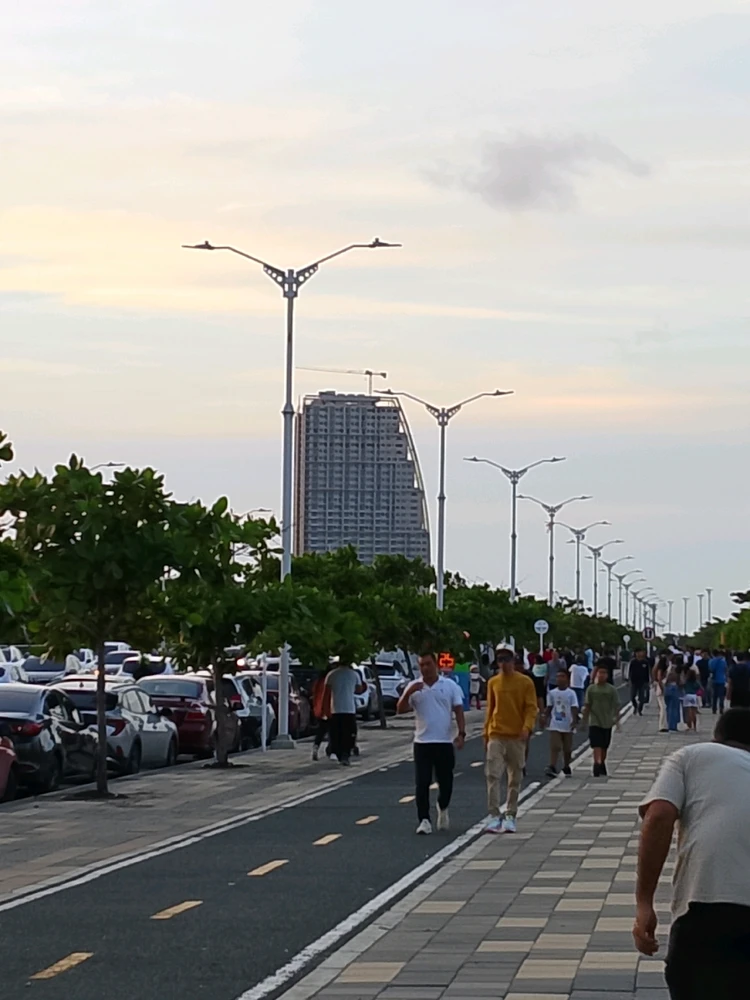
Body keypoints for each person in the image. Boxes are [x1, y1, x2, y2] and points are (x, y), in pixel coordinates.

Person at [633, 708, 750, 999]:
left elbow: (658, 816)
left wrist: (644, 903)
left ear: (717, 737)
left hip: (707, 909)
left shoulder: (693, 756)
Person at [396, 651, 465, 835]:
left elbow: (458, 710)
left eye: (428, 664)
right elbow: (400, 709)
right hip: (422, 742)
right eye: (421, 665)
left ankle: (443, 806)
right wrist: (409, 692)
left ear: (435, 664)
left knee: (446, 781)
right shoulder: (414, 686)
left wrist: (461, 733)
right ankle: (424, 819)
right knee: (422, 782)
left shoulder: (449, 686)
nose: (425, 668)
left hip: (443, 741)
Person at [483, 646, 538, 834]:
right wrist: (486, 733)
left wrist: (527, 727)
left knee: (515, 777)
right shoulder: (493, 682)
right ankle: (493, 815)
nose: (504, 664)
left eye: (507, 659)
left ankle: (510, 814)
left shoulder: (525, 682)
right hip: (496, 733)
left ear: (513, 660)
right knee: (492, 774)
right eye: (500, 660)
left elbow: (531, 708)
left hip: (516, 735)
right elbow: (490, 709)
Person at [324, 661, 367, 766]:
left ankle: (337, 752)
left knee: (336, 734)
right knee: (348, 734)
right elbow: (359, 690)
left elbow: (326, 693)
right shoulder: (354, 674)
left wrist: (325, 710)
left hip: (335, 708)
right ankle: (345, 754)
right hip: (349, 709)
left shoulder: (331, 674)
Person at [582, 664, 620, 776]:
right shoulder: (591, 689)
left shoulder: (611, 689)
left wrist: (617, 720)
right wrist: (584, 721)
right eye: (600, 672)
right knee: (596, 744)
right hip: (594, 721)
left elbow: (616, 706)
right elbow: (587, 705)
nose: (602, 675)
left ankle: (602, 762)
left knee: (604, 746)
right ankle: (597, 764)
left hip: (607, 722)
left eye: (604, 673)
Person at [545, 669, 579, 777]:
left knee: (567, 748)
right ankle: (552, 765)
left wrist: (574, 720)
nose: (559, 678)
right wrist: (544, 718)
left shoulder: (571, 693)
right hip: (555, 724)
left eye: (562, 676)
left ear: (567, 679)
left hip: (567, 724)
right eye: (558, 676)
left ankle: (566, 765)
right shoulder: (552, 693)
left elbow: (574, 707)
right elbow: (549, 707)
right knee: (555, 746)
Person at [311, 668, 332, 761]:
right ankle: (330, 749)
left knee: (321, 730)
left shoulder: (319, 681)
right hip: (329, 708)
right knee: (332, 730)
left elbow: (314, 693)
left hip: (319, 709)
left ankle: (316, 747)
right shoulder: (331, 680)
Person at [629, 649, 650, 716]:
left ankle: (640, 710)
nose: (639, 654)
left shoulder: (645, 662)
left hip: (642, 682)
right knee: (632, 696)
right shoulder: (633, 662)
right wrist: (629, 680)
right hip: (634, 681)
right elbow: (630, 672)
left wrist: (648, 682)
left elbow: (647, 672)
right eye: (638, 653)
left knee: (642, 698)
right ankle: (635, 706)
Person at [653, 653, 670, 732]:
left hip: (659, 687)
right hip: (661, 687)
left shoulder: (657, 668)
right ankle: (662, 725)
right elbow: (659, 679)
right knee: (663, 707)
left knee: (662, 707)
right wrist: (662, 688)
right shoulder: (661, 669)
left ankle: (663, 724)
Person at [708, 649, 728, 714]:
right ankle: (721, 708)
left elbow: (711, 669)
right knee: (721, 695)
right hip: (722, 679)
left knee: (714, 695)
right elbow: (725, 669)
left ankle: (714, 709)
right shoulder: (723, 661)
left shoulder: (711, 661)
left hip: (714, 679)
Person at [681, 666, 700, 731]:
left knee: (688, 712)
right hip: (694, 696)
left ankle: (689, 725)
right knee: (694, 712)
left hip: (687, 695)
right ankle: (694, 726)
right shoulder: (695, 682)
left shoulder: (686, 681)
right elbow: (699, 688)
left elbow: (682, 686)